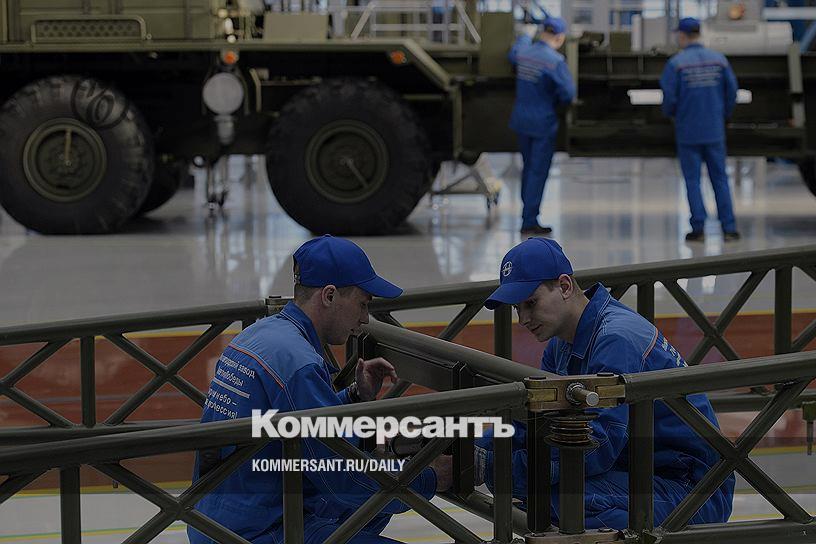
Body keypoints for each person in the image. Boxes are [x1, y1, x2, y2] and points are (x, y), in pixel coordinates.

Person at [188, 235, 452, 544]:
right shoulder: (299, 362)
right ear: (329, 295)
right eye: (362, 304)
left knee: (377, 505)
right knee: (372, 492)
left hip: (212, 519)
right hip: (261, 531)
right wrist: (430, 479)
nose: (364, 319)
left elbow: (294, 422)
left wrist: (353, 396)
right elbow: (343, 479)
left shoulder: (259, 335)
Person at [474, 237, 734, 529]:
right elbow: (537, 424)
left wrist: (490, 468)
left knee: (555, 496)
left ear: (565, 286)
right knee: (534, 489)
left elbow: (597, 447)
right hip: (638, 470)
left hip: (692, 490)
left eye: (531, 303)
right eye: (517, 308)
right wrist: (472, 452)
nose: (523, 318)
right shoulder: (560, 345)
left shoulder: (616, 339)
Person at [660, 17, 741, 243]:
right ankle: (729, 228)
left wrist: (672, 115)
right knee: (720, 178)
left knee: (692, 181)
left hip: (688, 131)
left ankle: (698, 229)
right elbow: (732, 91)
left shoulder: (676, 64)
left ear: (682, 36)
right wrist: (724, 115)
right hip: (714, 130)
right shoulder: (719, 60)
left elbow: (669, 98)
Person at [508, 17, 576, 236]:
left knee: (528, 169)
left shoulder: (523, 53)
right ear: (560, 37)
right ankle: (529, 221)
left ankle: (527, 214)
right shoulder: (555, 61)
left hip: (522, 120)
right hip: (542, 123)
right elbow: (568, 93)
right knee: (537, 172)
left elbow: (513, 52)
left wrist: (525, 36)